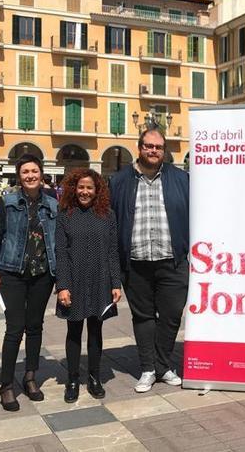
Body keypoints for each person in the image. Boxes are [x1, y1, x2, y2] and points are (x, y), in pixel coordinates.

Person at [110, 128, 190, 392]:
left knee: (171, 316)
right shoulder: (120, 180)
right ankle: (148, 368)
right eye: (148, 146)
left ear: (164, 150)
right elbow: (111, 221)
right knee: (143, 317)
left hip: (173, 260)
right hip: (136, 263)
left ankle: (162, 366)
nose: (153, 151)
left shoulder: (181, 179)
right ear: (139, 147)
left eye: (158, 147)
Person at [0, 154, 58, 412]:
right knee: (14, 328)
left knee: (35, 327)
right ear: (19, 176)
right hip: (12, 273)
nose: (30, 175)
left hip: (42, 274)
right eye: (25, 172)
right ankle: (6, 385)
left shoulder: (52, 203)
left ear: (41, 174)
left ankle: (30, 377)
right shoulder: (6, 202)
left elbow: (56, 239)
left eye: (34, 171)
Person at [55, 169, 123, 402]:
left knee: (96, 330)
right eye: (81, 187)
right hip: (73, 280)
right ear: (74, 188)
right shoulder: (65, 214)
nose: (85, 192)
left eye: (89, 187)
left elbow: (113, 251)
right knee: (74, 331)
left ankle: (94, 377)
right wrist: (62, 285)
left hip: (100, 280)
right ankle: (72, 379)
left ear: (97, 190)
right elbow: (61, 253)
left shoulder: (108, 215)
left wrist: (116, 282)